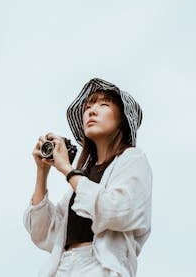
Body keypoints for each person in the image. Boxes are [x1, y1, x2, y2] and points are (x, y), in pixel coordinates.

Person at [24, 78, 152, 277]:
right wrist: (42, 172)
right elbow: (44, 233)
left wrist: (68, 170)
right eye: (88, 106)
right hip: (63, 268)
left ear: (122, 120)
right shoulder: (83, 178)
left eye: (103, 104)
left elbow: (119, 211)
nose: (92, 111)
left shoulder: (133, 160)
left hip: (100, 268)